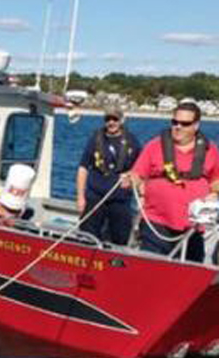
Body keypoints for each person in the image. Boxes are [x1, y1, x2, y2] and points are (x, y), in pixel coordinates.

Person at [130, 102, 219, 262]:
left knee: (190, 271)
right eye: (175, 122)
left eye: (185, 124)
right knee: (151, 268)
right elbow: (137, 174)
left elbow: (216, 181)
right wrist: (131, 180)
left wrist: (214, 194)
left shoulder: (210, 150)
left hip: (193, 227)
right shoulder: (154, 146)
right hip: (157, 223)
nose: (178, 127)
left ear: (196, 125)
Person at [75, 105, 141, 245]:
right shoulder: (96, 139)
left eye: (115, 119)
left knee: (118, 239)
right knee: (87, 237)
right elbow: (83, 168)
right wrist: (80, 197)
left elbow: (141, 171)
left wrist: (132, 179)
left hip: (119, 200)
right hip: (95, 197)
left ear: (121, 120)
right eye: (108, 119)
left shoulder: (132, 142)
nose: (111, 123)